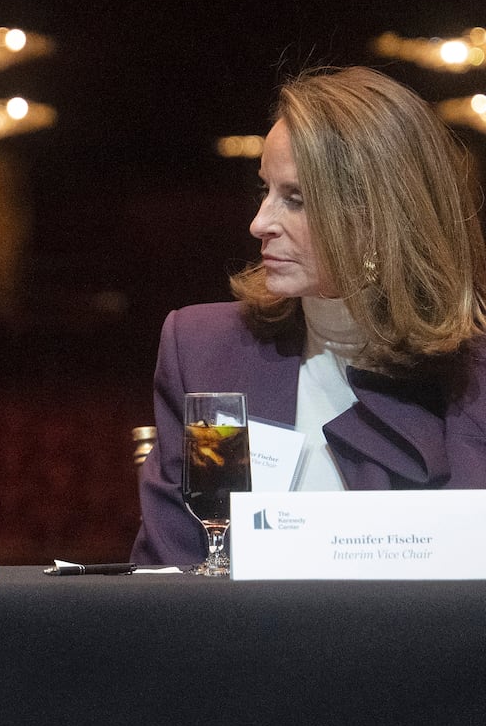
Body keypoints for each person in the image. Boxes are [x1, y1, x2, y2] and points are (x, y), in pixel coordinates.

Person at [133, 65, 486, 566]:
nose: (260, 223)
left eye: (295, 199)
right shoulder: (203, 349)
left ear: (379, 218)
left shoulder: (473, 379)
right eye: (265, 191)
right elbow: (173, 567)